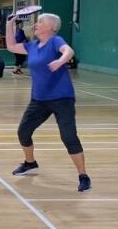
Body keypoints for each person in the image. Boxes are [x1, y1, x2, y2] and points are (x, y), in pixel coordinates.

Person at [5, 13, 90, 192]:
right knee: (23, 132)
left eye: (40, 22)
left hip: (62, 99)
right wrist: (9, 25)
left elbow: (69, 51)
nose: (36, 24)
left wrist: (60, 60)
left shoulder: (56, 41)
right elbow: (11, 46)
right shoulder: (33, 46)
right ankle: (30, 163)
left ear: (51, 26)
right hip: (39, 100)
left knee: (69, 137)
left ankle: (83, 176)